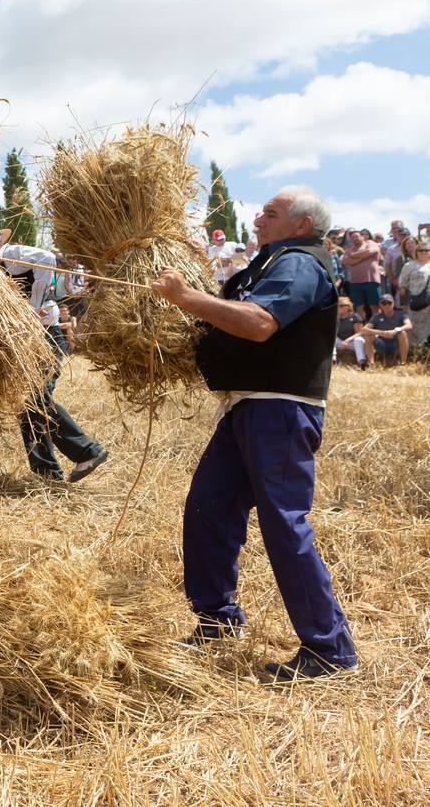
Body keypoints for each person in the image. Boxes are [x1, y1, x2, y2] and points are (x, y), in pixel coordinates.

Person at [152, 186, 357, 683]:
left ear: (302, 225)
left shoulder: (300, 263)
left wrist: (185, 296)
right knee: (208, 507)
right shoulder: (268, 263)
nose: (259, 219)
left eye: (272, 212)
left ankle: (330, 650)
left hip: (281, 411)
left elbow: (261, 323)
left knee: (284, 523)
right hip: (247, 407)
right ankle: (217, 621)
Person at [0, 229, 108, 483]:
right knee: (27, 402)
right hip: (30, 339)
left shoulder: (12, 254)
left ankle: (87, 452)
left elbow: (47, 258)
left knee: (35, 398)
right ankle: (47, 473)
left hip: (47, 336)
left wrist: (35, 306)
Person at [397, 239, 430, 347]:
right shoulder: (409, 265)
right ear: (416, 252)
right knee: (415, 324)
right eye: (421, 250)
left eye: (426, 250)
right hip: (417, 300)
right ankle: (414, 349)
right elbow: (402, 282)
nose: (424, 252)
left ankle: (425, 349)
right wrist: (403, 289)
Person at [342, 229, 381, 319]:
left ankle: (377, 327)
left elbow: (370, 252)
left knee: (374, 306)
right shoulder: (350, 249)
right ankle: (359, 329)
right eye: (352, 238)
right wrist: (362, 257)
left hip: (371, 280)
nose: (355, 239)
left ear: (362, 237)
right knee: (358, 306)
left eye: (357, 236)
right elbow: (345, 261)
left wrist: (353, 256)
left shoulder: (370, 243)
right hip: (355, 282)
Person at [362, 294, 411, 366]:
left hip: (396, 344)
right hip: (381, 344)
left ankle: (403, 363)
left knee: (402, 333)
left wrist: (395, 331)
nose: (387, 305)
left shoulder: (401, 314)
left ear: (393, 303)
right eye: (384, 303)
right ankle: (371, 364)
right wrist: (381, 332)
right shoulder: (377, 316)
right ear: (380, 305)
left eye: (389, 303)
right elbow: (364, 329)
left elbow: (409, 325)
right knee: (368, 335)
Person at [333, 297, 367, 368]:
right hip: (340, 342)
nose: (344, 307)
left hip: (352, 342)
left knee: (359, 339)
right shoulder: (334, 318)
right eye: (341, 305)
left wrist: (347, 340)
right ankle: (333, 360)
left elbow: (360, 332)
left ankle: (362, 363)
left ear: (349, 306)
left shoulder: (355, 316)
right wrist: (342, 342)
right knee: (331, 339)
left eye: (346, 305)